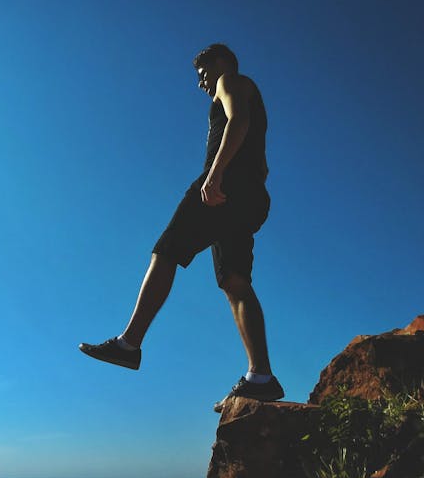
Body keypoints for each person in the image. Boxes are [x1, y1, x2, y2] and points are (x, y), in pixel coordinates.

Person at [79, 43, 283, 413]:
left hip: (226, 186)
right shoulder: (253, 94)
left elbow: (238, 122)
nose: (202, 82)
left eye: (203, 73)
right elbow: (261, 160)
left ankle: (129, 344)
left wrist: (217, 174)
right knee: (234, 281)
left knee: (167, 249)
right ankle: (261, 378)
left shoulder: (231, 81)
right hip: (250, 195)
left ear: (221, 63)